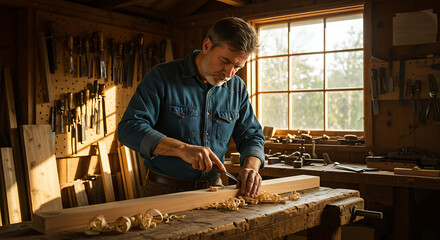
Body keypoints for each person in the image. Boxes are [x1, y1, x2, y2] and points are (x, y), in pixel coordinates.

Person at [117, 17, 265, 198]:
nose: (229, 73)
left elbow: (252, 136)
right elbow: (129, 129)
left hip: (214, 190)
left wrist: (251, 167)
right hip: (164, 192)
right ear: (206, 45)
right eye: (225, 61)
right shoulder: (162, 77)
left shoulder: (237, 88)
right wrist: (182, 149)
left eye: (237, 66)